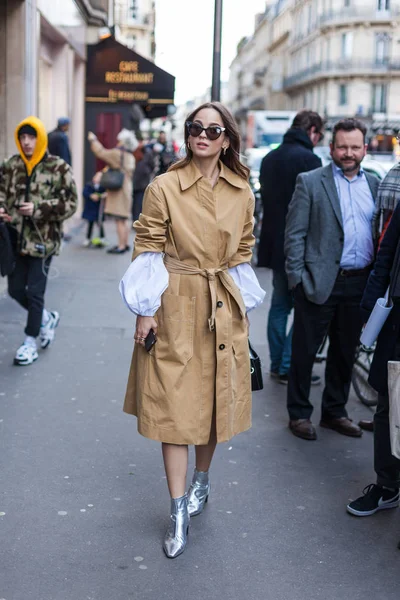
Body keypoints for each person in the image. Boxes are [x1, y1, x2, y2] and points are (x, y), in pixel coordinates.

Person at [119, 102, 265, 558]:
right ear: (188, 134)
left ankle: (202, 481)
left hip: (223, 301)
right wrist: (145, 312)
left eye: (213, 129)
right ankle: (178, 508)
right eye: (195, 127)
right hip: (174, 303)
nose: (203, 134)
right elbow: (147, 247)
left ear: (226, 139)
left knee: (215, 404)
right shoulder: (163, 186)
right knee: (173, 409)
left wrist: (243, 302)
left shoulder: (242, 190)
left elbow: (243, 247)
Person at [284, 118, 380, 441]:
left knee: (344, 350)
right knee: (304, 351)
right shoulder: (310, 182)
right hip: (319, 281)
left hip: (359, 282)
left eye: (355, 147)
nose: (349, 153)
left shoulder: (376, 184)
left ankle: (334, 412)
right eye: (343, 146)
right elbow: (294, 234)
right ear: (331, 148)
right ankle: (298, 414)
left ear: (365, 149)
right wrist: (296, 280)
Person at [0, 116, 77, 365]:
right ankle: (46, 318)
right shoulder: (11, 165)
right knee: (14, 290)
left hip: (43, 241)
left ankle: (30, 341)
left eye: (31, 137)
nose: (26, 142)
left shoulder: (59, 167)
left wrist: (38, 208)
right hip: (14, 239)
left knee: (34, 292)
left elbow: (71, 203)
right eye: (22, 137)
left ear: (40, 137)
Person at [258, 110, 323, 385]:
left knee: (279, 305)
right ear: (313, 131)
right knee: (308, 309)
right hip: (301, 247)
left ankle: (277, 363)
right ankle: (286, 364)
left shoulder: (269, 158)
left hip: (274, 244)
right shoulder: (311, 160)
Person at [346, 201, 400, 520]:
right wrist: (369, 309)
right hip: (398, 322)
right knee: (387, 401)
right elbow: (386, 254)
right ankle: (388, 484)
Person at [88, 129, 138, 254]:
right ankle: (125, 244)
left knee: (119, 219)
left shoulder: (117, 154)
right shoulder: (130, 156)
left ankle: (120, 246)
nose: (117, 142)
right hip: (127, 188)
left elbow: (101, 152)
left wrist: (93, 140)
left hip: (119, 190)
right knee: (125, 218)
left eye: (119, 140)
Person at [82, 171, 107, 248]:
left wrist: (103, 196)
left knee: (100, 224)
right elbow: (84, 193)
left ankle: (102, 238)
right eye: (97, 177)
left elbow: (106, 194)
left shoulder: (103, 187)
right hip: (90, 209)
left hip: (99, 210)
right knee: (90, 224)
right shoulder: (89, 185)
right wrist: (91, 195)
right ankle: (88, 238)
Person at [132, 142, 155, 222]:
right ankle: (135, 220)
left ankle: (138, 220)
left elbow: (152, 165)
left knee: (140, 202)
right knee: (135, 203)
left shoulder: (147, 152)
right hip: (134, 181)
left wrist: (147, 172)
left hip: (142, 182)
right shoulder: (133, 151)